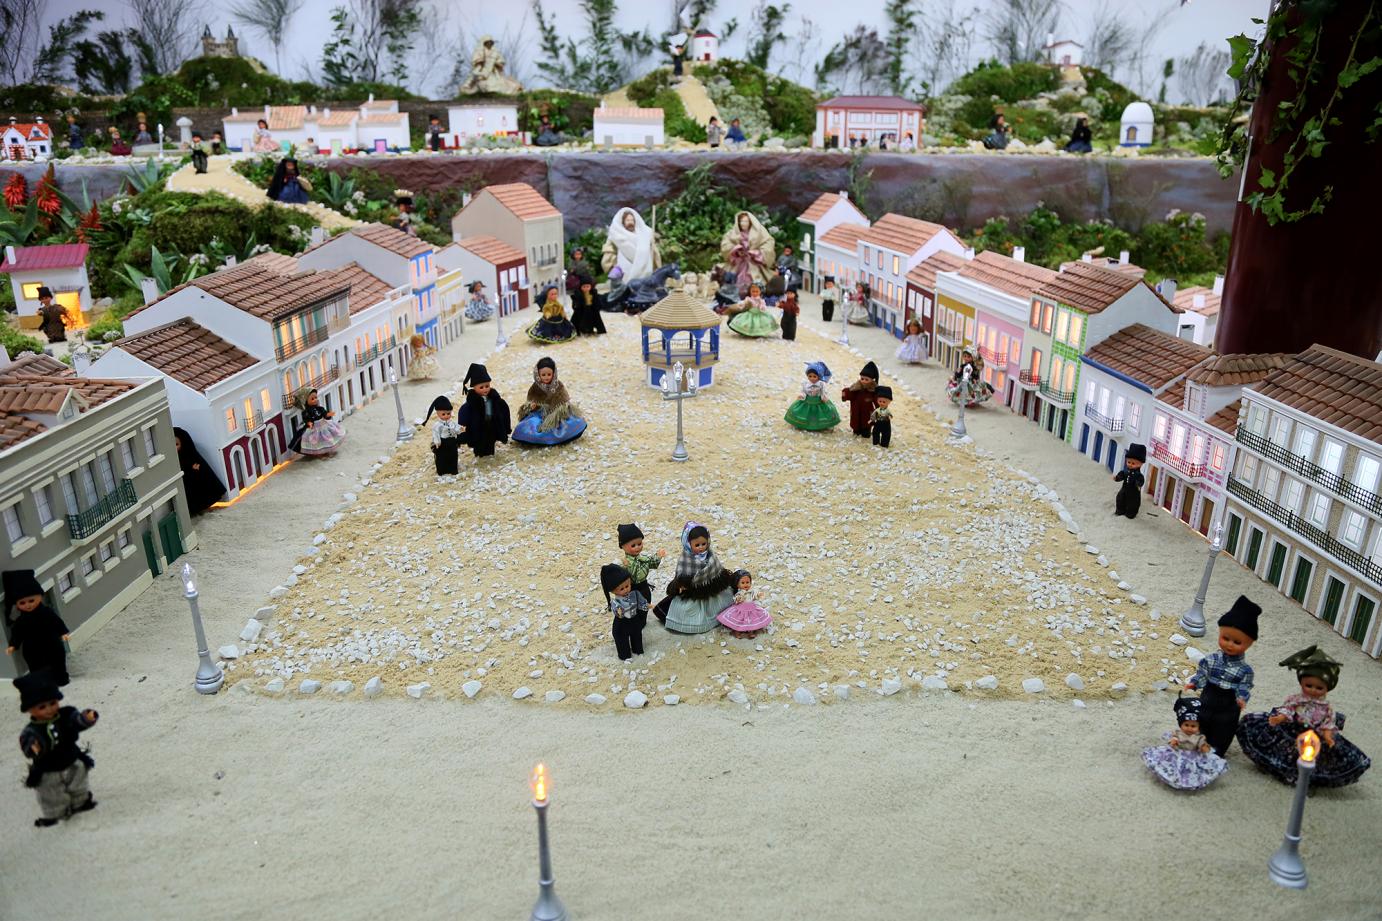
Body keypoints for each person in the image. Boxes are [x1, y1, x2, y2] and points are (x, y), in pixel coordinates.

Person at [1236, 645, 1371, 787]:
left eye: (1319, 688)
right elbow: (1288, 709)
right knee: (1277, 746)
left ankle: (1301, 776)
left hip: (1313, 735)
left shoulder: (1326, 708)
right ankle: (1275, 767)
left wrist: (1327, 735)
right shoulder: (1296, 699)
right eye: (1308, 685)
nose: (1313, 690)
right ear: (1301, 682)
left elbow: (1327, 722)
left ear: (1328, 688)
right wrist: (1281, 717)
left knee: (1315, 755)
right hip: (1293, 728)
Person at [15, 672, 99, 828]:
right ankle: (57, 812)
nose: (49, 709)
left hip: (71, 758)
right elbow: (27, 744)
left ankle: (80, 801)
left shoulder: (65, 714)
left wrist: (86, 719)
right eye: (41, 707)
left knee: (78, 779)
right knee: (51, 791)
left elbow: (76, 721)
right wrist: (34, 747)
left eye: (53, 703)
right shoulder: (31, 730)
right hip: (48, 767)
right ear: (30, 710)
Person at [1184, 595, 1261, 757]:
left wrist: (1241, 698)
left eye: (1237, 642)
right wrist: (1194, 683)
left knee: (1224, 727)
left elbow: (1245, 685)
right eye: (1225, 638)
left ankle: (1216, 752)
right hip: (1209, 695)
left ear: (1249, 643)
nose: (1229, 644)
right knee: (1201, 720)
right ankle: (1198, 744)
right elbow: (1203, 674)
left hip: (1229, 702)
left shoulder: (1244, 670)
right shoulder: (1211, 659)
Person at [657, 523, 736, 634]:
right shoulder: (686, 558)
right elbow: (682, 574)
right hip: (692, 591)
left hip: (710, 589)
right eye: (697, 545)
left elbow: (717, 569)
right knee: (686, 608)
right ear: (688, 544)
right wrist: (682, 585)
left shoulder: (710, 555)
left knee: (720, 599)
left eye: (703, 544)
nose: (701, 547)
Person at [1141, 696, 1229, 790]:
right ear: (1181, 724)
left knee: (1191, 770)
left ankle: (1187, 782)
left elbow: (1202, 745)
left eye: (1193, 726)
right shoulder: (1179, 733)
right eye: (1186, 725)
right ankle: (1172, 778)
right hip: (1178, 753)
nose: (1189, 728)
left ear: (1198, 727)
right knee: (1171, 765)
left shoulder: (1199, 737)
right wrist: (1173, 741)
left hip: (1193, 755)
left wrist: (1204, 748)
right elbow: (1173, 738)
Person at [4, 570, 70, 685]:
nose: (28, 605)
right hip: (32, 648)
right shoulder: (21, 620)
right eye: (22, 603)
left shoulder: (46, 612)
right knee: (36, 665)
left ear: (39, 596)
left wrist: (63, 633)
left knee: (57, 661)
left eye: (31, 600)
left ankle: (60, 678)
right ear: (17, 604)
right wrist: (13, 645)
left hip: (52, 643)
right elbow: (17, 633)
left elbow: (57, 622)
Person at [512, 356, 587, 446]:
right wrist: (532, 406)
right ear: (538, 375)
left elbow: (563, 401)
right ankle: (535, 439)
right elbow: (531, 400)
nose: (546, 377)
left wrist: (560, 411)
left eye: (549, 374)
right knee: (530, 424)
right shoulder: (535, 387)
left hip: (556, 413)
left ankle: (557, 437)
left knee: (569, 423)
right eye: (543, 375)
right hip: (540, 413)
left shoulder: (558, 385)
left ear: (554, 374)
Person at [602, 207, 662, 306]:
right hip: (625, 264)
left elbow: (651, 246)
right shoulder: (617, 235)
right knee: (626, 285)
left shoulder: (644, 233)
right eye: (628, 220)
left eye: (632, 220)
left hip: (644, 265)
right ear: (623, 222)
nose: (630, 222)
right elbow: (609, 250)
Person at [457, 363, 511, 458]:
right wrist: (463, 422)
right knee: (480, 442)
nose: (485, 389)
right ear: (474, 388)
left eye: (487, 386)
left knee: (490, 440)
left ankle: (490, 451)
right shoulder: (472, 402)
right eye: (481, 387)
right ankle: (480, 453)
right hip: (478, 426)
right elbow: (465, 411)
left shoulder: (494, 398)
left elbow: (503, 409)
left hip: (491, 424)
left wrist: (503, 423)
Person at [719, 211, 776, 296]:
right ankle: (735, 293)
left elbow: (768, 243)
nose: (743, 224)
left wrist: (757, 253)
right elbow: (725, 244)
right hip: (738, 263)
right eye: (741, 221)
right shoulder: (733, 233)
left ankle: (754, 294)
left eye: (746, 221)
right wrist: (736, 250)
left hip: (753, 264)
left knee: (754, 280)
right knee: (732, 279)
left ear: (750, 222)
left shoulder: (759, 233)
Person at [173, 427, 227, 514]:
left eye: (176, 444)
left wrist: (193, 469)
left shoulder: (190, 455)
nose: (174, 448)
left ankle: (204, 506)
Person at [601, 564, 647, 661]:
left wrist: (647, 605)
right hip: (622, 623)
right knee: (621, 639)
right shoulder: (615, 601)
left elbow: (641, 602)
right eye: (621, 589)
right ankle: (624, 654)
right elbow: (617, 611)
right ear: (612, 591)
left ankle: (637, 649)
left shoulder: (634, 593)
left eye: (627, 585)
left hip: (634, 619)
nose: (626, 589)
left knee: (637, 635)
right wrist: (619, 611)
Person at [617, 523, 665, 606]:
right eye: (633, 545)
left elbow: (650, 563)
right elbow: (622, 578)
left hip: (644, 586)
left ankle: (643, 617)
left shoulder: (642, 559)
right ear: (623, 547)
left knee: (646, 602)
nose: (637, 547)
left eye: (639, 544)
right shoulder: (626, 562)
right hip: (631, 589)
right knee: (635, 608)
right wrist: (626, 566)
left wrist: (658, 557)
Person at [784, 361, 841, 431]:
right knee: (802, 411)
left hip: (818, 401)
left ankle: (821, 425)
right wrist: (802, 395)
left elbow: (823, 392)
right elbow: (803, 390)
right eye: (810, 376)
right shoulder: (805, 383)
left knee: (822, 412)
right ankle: (802, 424)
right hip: (807, 400)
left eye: (814, 376)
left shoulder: (821, 384)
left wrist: (823, 397)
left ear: (819, 376)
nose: (812, 378)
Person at [289, 387, 345, 456]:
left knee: (327, 438)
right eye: (312, 399)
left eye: (316, 397)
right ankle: (319, 453)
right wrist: (309, 423)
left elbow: (324, 413)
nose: (315, 400)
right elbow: (306, 419)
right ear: (306, 401)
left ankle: (327, 450)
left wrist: (328, 414)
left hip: (323, 425)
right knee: (317, 441)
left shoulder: (319, 408)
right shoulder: (306, 411)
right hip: (316, 428)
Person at [716, 570, 771, 639]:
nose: (746, 584)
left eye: (747, 582)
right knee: (739, 620)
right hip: (741, 609)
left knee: (752, 620)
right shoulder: (740, 593)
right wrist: (738, 599)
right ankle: (736, 632)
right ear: (737, 584)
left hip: (751, 608)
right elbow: (736, 598)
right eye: (743, 582)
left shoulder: (752, 591)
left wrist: (758, 595)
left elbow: (754, 596)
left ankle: (751, 632)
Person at [424, 395, 463, 475]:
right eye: (443, 414)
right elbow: (436, 433)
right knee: (442, 457)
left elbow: (456, 428)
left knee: (453, 456)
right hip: (443, 443)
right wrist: (437, 442)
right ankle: (442, 470)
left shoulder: (452, 423)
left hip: (452, 441)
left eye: (448, 413)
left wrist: (460, 429)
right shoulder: (437, 425)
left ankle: (453, 469)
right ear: (438, 414)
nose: (446, 416)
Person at [841, 360, 881, 438]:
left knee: (866, 424)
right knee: (856, 424)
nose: (864, 381)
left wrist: (879, 409)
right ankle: (856, 430)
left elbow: (877, 401)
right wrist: (844, 393)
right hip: (856, 409)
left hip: (867, 412)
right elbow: (849, 393)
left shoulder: (873, 390)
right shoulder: (856, 388)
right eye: (862, 379)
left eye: (866, 379)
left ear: (872, 380)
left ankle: (866, 431)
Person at [1113, 444, 1147, 518]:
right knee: (1120, 498)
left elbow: (1141, 480)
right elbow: (1122, 475)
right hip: (1124, 489)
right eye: (1129, 462)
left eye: (1133, 463)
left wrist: (1138, 484)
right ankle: (1120, 510)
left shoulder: (1138, 474)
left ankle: (1130, 513)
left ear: (1140, 464)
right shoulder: (1126, 471)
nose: (1130, 465)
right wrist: (1117, 478)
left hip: (1133, 492)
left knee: (1133, 503)